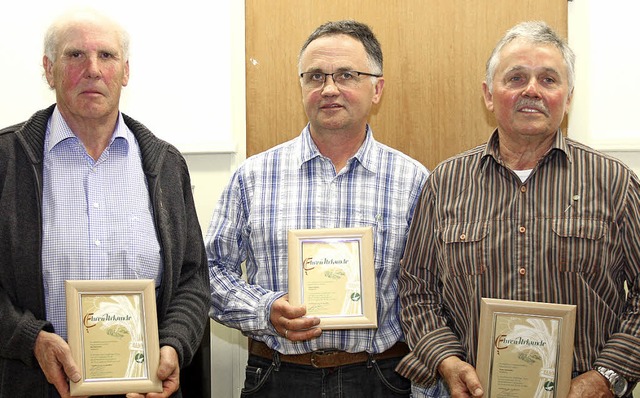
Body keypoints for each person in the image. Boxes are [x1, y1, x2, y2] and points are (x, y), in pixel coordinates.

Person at [396, 20, 640, 398]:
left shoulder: (616, 183)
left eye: (548, 79)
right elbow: (417, 291)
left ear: (568, 96)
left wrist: (606, 375)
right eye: (515, 78)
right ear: (489, 95)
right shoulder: (444, 184)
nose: (532, 90)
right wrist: (446, 360)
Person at [206, 20, 428, 398]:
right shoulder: (253, 176)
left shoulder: (414, 181)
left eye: (346, 75)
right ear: (301, 86)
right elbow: (208, 271)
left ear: (377, 89)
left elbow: (428, 290)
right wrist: (265, 309)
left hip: (380, 378)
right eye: (314, 77)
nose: (328, 89)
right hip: (277, 376)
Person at [0, 8, 209, 398]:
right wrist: (30, 340)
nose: (93, 69)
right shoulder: (7, 160)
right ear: (49, 69)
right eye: (75, 55)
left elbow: (192, 278)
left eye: (107, 56)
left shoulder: (164, 165)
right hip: (34, 385)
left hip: (143, 390)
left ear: (125, 72)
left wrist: (174, 344)